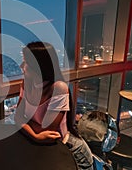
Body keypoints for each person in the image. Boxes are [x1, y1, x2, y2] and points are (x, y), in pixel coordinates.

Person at [15, 41, 94, 170]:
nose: (21, 66)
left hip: (72, 152)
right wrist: (36, 136)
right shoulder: (27, 83)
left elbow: (48, 131)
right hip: (44, 148)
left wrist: (27, 125)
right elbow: (17, 118)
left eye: (26, 62)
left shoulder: (58, 88)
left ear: (38, 66)